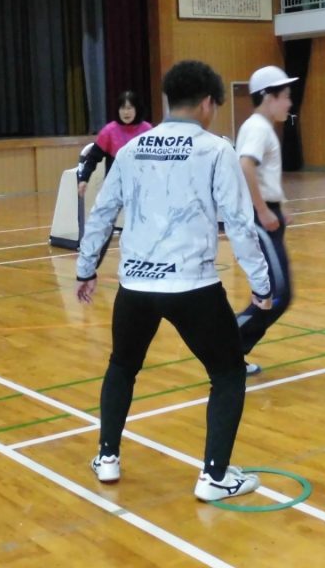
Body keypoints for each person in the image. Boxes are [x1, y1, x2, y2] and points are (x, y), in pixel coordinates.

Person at [76, 60, 273, 502]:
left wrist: (86, 269)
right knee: (228, 373)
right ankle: (215, 477)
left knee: (122, 366)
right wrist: (261, 285)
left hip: (135, 287)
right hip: (193, 288)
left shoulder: (131, 149)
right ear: (207, 103)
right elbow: (239, 223)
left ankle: (107, 457)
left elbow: (103, 212)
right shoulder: (216, 150)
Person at [234, 65, 298, 376]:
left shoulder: (261, 127)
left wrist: (278, 206)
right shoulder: (258, 128)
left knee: (275, 294)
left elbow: (261, 174)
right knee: (276, 295)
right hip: (258, 217)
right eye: (285, 96)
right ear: (268, 97)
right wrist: (262, 210)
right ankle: (226, 344)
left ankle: (232, 354)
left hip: (266, 212)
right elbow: (245, 165)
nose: (289, 103)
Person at [77, 91, 152, 267]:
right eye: (122, 108)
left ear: (137, 109)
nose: (126, 112)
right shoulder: (109, 131)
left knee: (144, 226)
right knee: (102, 227)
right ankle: (89, 268)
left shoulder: (148, 131)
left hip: (142, 188)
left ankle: (145, 264)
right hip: (115, 187)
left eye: (130, 108)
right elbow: (93, 158)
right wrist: (84, 178)